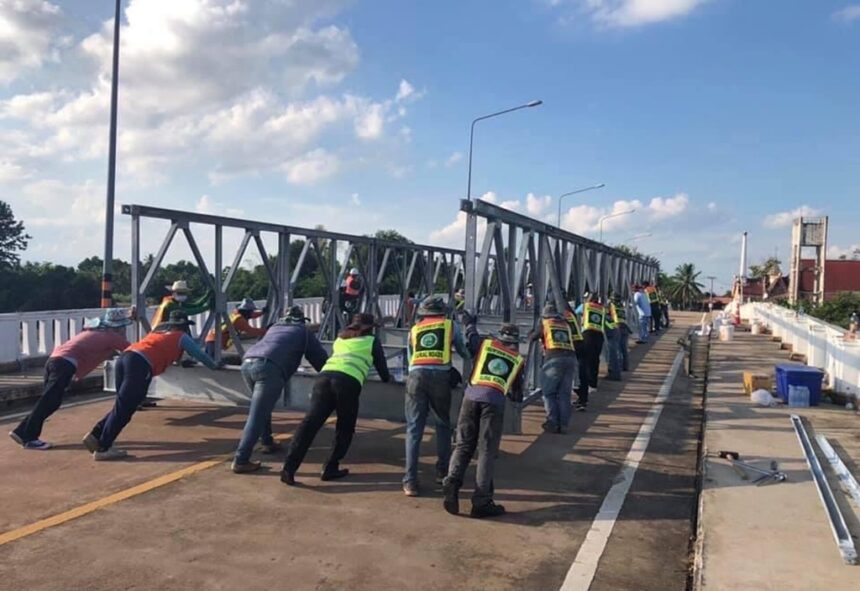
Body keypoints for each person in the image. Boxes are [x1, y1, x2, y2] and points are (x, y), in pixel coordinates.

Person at [82, 311, 221, 461]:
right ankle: (103, 447)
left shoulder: (158, 333)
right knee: (127, 408)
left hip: (125, 358)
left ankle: (96, 434)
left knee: (122, 404)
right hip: (139, 364)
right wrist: (214, 366)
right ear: (184, 327)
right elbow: (200, 355)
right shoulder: (181, 337)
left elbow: (163, 352)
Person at [281, 313, 391, 485]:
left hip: (323, 378)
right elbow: (384, 373)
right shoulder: (371, 341)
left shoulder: (340, 339)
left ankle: (289, 468)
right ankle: (330, 467)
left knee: (310, 424)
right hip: (347, 382)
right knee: (344, 427)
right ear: (369, 328)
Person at [9, 308, 133, 450]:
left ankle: (24, 432)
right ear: (119, 326)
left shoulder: (93, 332)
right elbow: (133, 351)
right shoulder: (112, 337)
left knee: (50, 401)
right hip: (65, 364)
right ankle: (26, 435)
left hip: (54, 361)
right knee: (49, 401)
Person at [231, 306, 329, 473]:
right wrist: (329, 375)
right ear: (301, 320)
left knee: (262, 408)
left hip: (247, 363)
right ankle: (241, 459)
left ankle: (267, 442)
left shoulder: (274, 328)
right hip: (269, 368)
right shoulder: (303, 332)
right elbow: (319, 361)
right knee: (257, 414)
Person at [442, 321, 524, 519]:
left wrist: (470, 323)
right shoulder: (517, 359)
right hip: (494, 403)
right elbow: (516, 395)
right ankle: (481, 501)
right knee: (487, 451)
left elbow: (471, 338)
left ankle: (452, 481)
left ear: (499, 336)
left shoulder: (485, 345)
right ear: (515, 341)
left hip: (470, 398)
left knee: (463, 445)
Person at [402, 296, 470, 496]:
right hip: (440, 377)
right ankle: (442, 472)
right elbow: (463, 350)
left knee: (414, 429)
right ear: (443, 311)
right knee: (442, 425)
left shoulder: (414, 329)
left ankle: (410, 482)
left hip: (416, 377)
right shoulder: (450, 325)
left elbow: (410, 358)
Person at [530, 302, 577, 434]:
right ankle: (564, 424)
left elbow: (533, 337)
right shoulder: (565, 324)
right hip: (571, 358)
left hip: (554, 359)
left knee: (549, 392)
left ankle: (553, 421)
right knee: (564, 394)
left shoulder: (545, 323)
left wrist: (531, 332)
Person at [574, 292, 607, 412]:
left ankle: (583, 387)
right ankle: (593, 383)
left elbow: (576, 312)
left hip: (588, 334)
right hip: (599, 335)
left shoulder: (585, 305)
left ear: (588, 299)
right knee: (595, 359)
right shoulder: (602, 308)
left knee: (583, 361)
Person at [602, 293, 622, 382]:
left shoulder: (611, 306)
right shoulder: (617, 305)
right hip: (614, 329)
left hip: (611, 330)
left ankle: (615, 374)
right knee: (614, 352)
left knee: (613, 353)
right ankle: (614, 372)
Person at [611, 293, 632, 371]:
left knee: (618, 348)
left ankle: (619, 367)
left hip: (617, 326)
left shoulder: (612, 306)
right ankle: (625, 366)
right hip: (624, 327)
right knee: (624, 349)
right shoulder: (621, 306)